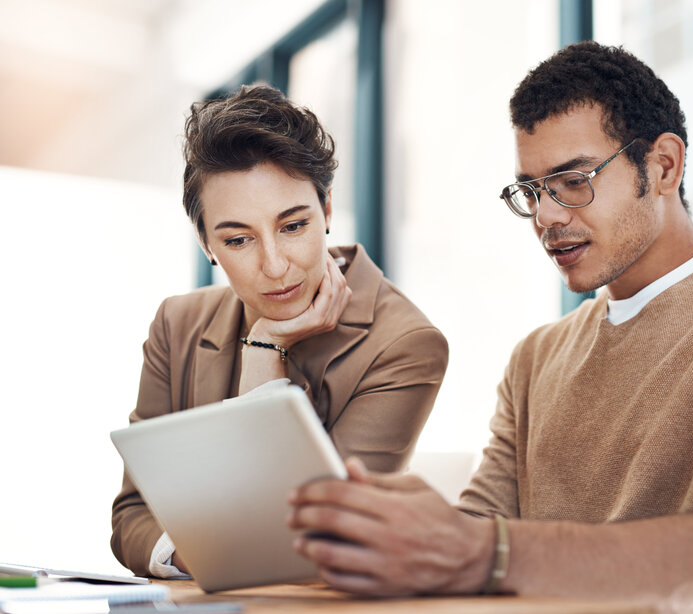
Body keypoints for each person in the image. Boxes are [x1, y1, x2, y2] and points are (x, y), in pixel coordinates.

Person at [287, 42, 693, 610]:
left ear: (663, 166)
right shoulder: (536, 358)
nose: (548, 216)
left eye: (573, 181)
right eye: (531, 190)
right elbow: (477, 531)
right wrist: (390, 536)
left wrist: (481, 551)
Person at [110, 84, 448, 578]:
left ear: (327, 211)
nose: (274, 265)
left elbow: (316, 539)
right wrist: (199, 554)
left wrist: (268, 350)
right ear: (207, 243)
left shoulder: (405, 345)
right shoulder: (175, 326)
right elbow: (131, 517)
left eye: (293, 226)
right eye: (239, 239)